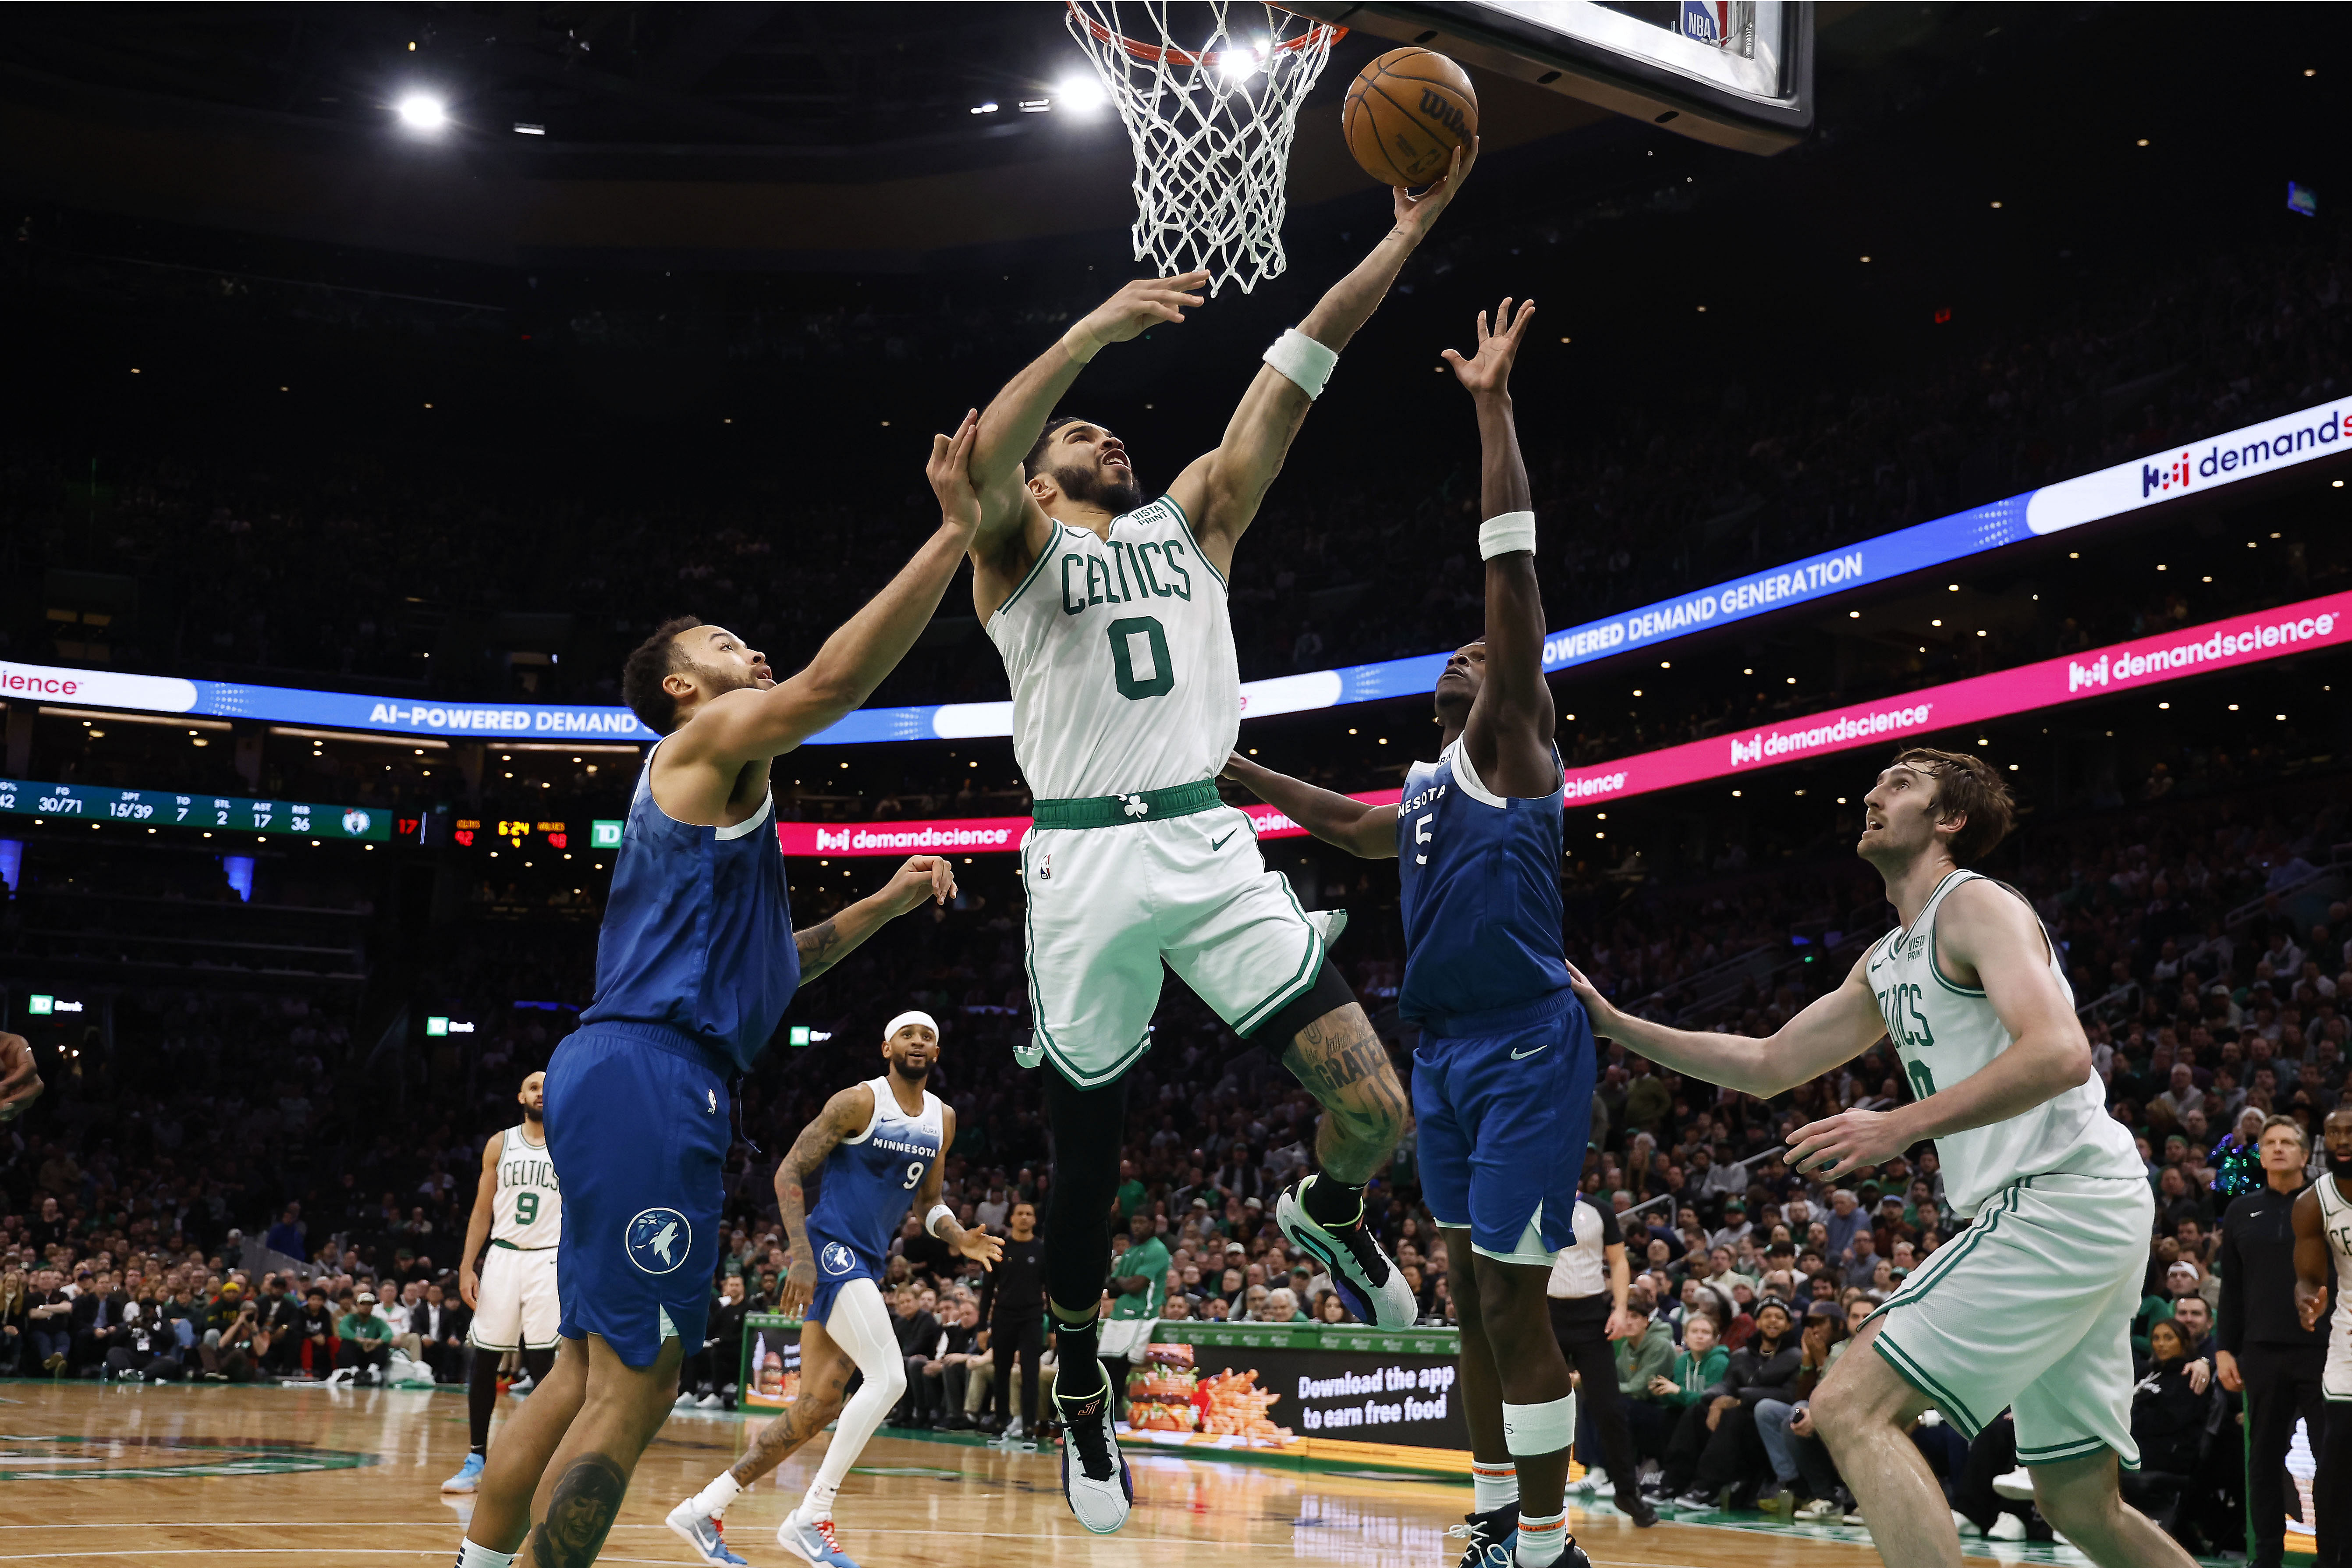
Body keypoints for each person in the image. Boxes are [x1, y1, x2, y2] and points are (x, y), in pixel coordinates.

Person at [956, 137, 1478, 1537]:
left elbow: (1297, 361)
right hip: (1080, 861)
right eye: (1085, 440)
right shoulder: (1013, 552)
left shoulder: (1195, 522)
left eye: (1111, 429)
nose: (1103, 437)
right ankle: (1078, 1389)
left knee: (1380, 1107)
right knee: (1084, 1160)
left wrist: (1408, 236)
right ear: (1050, 481)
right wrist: (1088, 331)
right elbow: (995, 450)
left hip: (1203, 841)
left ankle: (1328, 1205)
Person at [452, 415, 988, 1568]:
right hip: (655, 1075)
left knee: (589, 1366)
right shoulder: (705, 738)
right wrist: (952, 531)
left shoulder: (713, 801)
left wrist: (888, 904)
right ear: (685, 683)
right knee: (640, 1383)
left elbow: (773, 971)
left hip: (626, 1060)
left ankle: (482, 1563)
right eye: (735, 645)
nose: (759, 655)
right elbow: (836, 679)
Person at [1571, 749, 2185, 1568]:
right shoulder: (1889, 957)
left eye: (1900, 783)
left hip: (2057, 1199)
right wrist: (1615, 1023)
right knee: (2078, 1501)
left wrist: (1899, 1125)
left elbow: (2061, 1051)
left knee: (1848, 1406)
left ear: (1948, 819)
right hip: (2079, 1208)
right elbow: (1766, 1063)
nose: (1870, 792)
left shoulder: (1974, 905)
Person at [1223, 298, 1590, 1568]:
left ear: (1512, 688)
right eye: (1450, 656)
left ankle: (1546, 1544)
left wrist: (1490, 409)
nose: (1460, 657)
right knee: (1467, 1316)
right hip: (1439, 1049)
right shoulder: (1431, 788)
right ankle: (1493, 1518)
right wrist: (1246, 774)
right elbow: (1352, 827)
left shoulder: (1510, 746)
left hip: (1524, 1046)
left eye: (1477, 657)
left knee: (1508, 1300)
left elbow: (1509, 582)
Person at [665, 1011, 1000, 1568]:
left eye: (929, 1037)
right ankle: (812, 1516)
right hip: (830, 1248)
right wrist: (801, 1254)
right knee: (890, 1377)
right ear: (886, 1045)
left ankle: (705, 1508)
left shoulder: (943, 1118)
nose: (918, 1042)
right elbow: (788, 1172)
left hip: (865, 1261)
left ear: (937, 1053)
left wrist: (959, 1235)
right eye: (908, 1034)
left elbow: (929, 1203)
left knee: (817, 1406)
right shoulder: (858, 1102)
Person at [2218, 1114, 2331, 1568]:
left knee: (2334, 1459)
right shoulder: (2240, 1209)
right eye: (2271, 1141)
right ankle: (2264, 1556)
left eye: (2289, 1142)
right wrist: (2225, 1347)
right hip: (2260, 1350)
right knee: (2262, 1458)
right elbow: (2232, 1286)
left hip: (2324, 1350)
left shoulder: (2329, 1204)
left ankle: (2335, 1554)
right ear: (2260, 1152)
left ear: (2306, 1155)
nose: (2279, 1148)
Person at [444, 1072, 564, 1494]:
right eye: (534, 1087)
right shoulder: (501, 1143)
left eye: (549, 1088)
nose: (541, 1094)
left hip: (549, 1258)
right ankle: (476, 1456)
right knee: (486, 1359)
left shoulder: (571, 1142)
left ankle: (541, 1460)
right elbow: (481, 1211)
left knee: (543, 1365)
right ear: (521, 1096)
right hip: (503, 1255)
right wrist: (466, 1266)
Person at [1546, 1196, 1659, 1525]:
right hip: (1546, 1314)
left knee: (1610, 1409)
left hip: (1592, 1316)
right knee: (1539, 1405)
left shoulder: (1599, 1211)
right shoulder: (1530, 1201)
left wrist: (1620, 1309)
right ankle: (1529, 1492)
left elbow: (1619, 1261)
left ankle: (1626, 1491)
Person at [2292, 1104, 2352, 1568]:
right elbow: (2309, 1278)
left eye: (2350, 1131)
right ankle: (2327, 1557)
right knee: (2337, 1456)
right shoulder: (2314, 1202)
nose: (2343, 1139)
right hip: (2348, 1338)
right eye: (2334, 1132)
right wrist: (2308, 1297)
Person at [973, 1200, 1046, 1437]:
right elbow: (987, 1292)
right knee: (1001, 1371)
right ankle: (1001, 1421)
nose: (1024, 1217)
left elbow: (1053, 1290)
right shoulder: (1000, 1249)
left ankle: (1028, 1424)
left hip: (1032, 1318)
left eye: (1029, 1214)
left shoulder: (1042, 1250)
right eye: (1020, 1213)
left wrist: (1054, 1328)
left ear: (1035, 1220)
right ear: (1011, 1218)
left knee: (1030, 1372)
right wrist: (982, 1326)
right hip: (1004, 1317)